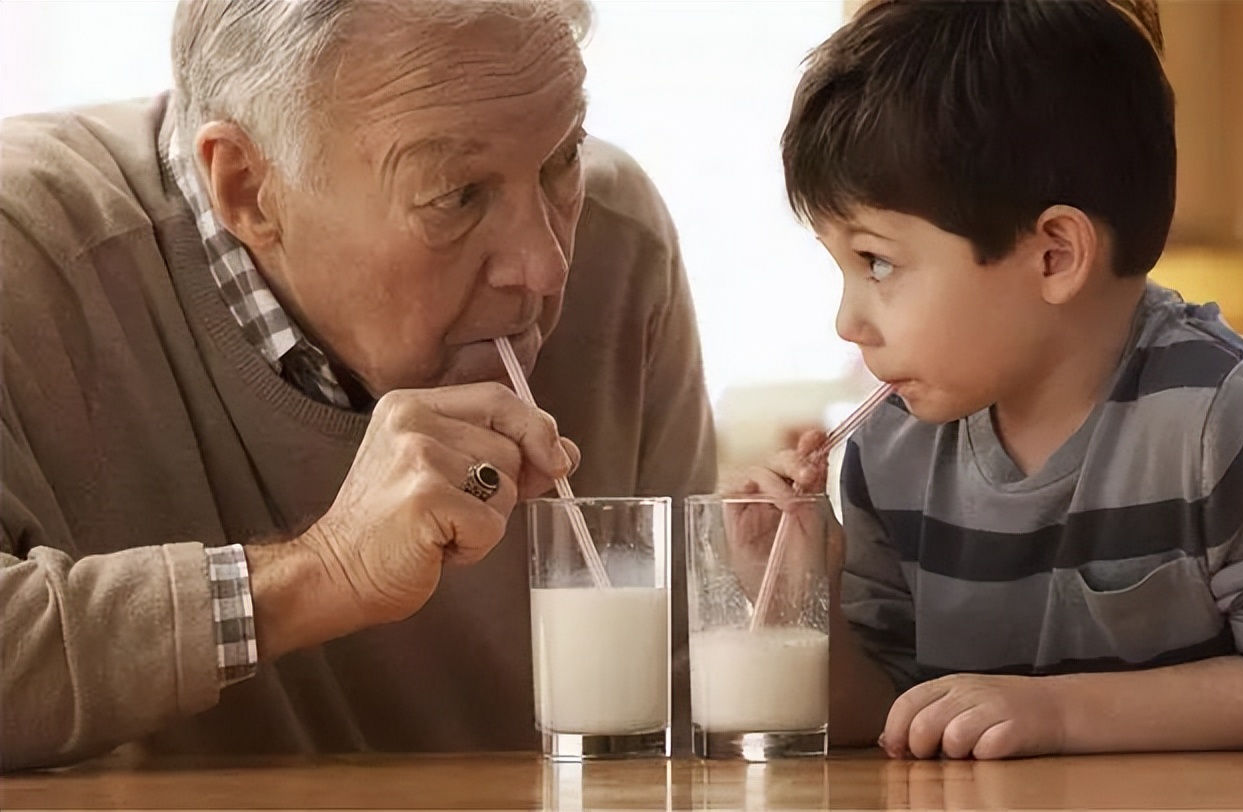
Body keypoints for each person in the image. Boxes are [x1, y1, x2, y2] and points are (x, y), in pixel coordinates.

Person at [0, 0, 716, 772]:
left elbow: (687, 699)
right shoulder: (26, 258)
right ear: (247, 190)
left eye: (561, 158)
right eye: (457, 195)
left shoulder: (619, 240)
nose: (544, 266)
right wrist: (324, 573)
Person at [728, 0, 1243, 760]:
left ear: (1054, 256)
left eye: (877, 263)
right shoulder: (893, 449)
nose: (848, 321)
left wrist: (1058, 714)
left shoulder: (1232, 425)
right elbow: (887, 709)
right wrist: (797, 601)